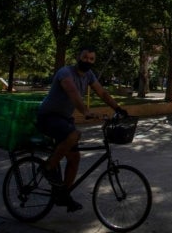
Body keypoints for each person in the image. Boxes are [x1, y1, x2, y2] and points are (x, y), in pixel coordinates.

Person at [36, 47, 125, 211]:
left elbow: (102, 93)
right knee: (74, 135)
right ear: (79, 57)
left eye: (91, 59)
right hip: (48, 117)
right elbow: (72, 92)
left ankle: (63, 195)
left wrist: (118, 109)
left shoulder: (89, 75)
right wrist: (85, 111)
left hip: (64, 119)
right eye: (85, 57)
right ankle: (48, 168)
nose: (88, 61)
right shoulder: (65, 73)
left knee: (74, 158)